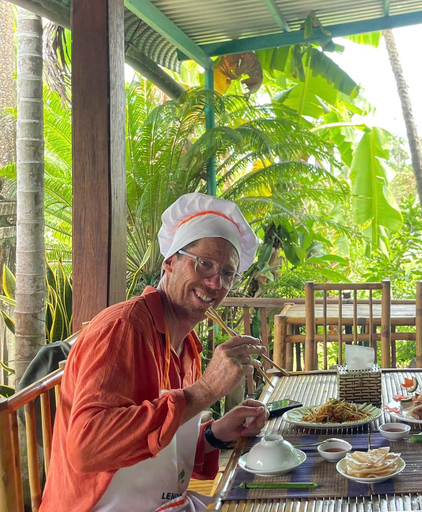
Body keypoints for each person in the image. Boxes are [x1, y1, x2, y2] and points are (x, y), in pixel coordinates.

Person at [40, 193, 271, 512]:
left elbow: (162, 444)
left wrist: (215, 435)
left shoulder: (186, 344)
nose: (216, 283)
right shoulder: (123, 328)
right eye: (204, 264)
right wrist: (205, 391)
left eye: (228, 274)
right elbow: (86, 447)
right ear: (170, 263)